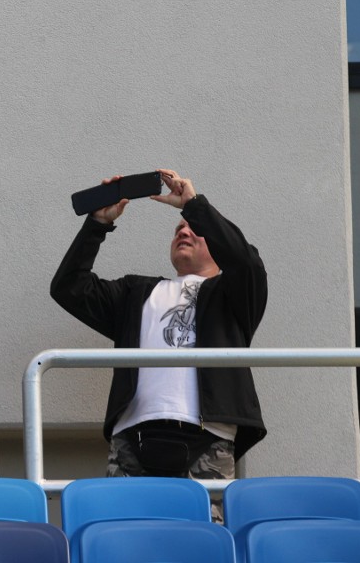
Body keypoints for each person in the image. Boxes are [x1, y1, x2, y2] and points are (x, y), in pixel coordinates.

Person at [50, 169, 267, 520]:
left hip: (207, 437)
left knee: (201, 543)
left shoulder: (233, 294)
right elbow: (69, 288)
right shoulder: (136, 292)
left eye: (193, 229)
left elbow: (245, 262)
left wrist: (194, 206)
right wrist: (98, 224)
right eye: (178, 229)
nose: (183, 230)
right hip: (132, 437)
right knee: (123, 539)